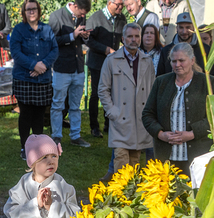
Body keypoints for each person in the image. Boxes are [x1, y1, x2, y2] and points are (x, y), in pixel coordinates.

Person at [142, 42, 214, 176]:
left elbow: (213, 117)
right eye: (173, 61)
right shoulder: (161, 82)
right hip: (166, 156)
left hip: (198, 156)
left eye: (181, 60)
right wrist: (160, 134)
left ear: (192, 60)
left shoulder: (208, 83)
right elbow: (147, 114)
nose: (177, 65)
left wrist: (192, 133)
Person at [98, 23, 155, 175]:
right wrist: (112, 111)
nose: (133, 40)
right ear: (123, 38)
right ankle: (120, 195)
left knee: (135, 161)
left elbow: (151, 90)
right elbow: (103, 89)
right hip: (120, 119)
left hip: (139, 120)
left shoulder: (147, 61)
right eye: (130, 36)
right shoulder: (111, 60)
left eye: (137, 36)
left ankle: (130, 196)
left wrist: (149, 114)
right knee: (121, 161)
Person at [10, 0, 58, 160]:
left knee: (39, 115)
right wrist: (33, 65)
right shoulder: (18, 30)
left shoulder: (47, 29)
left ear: (39, 11)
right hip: (23, 78)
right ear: (24, 12)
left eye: (34, 9)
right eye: (28, 9)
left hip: (42, 78)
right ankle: (24, 148)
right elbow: (15, 52)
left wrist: (42, 65)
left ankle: (37, 148)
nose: (31, 12)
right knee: (25, 114)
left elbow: (55, 49)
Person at [49, 0, 92, 147]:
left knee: (75, 105)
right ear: (74, 5)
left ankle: (75, 136)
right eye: (81, 13)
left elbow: (80, 39)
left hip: (78, 67)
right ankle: (56, 136)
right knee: (57, 104)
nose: (82, 16)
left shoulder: (81, 15)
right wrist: (72, 35)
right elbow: (52, 40)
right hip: (62, 67)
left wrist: (84, 36)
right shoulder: (56, 16)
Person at [86, 0, 127, 138]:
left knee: (113, 94)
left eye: (122, 4)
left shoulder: (121, 18)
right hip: (97, 62)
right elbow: (88, 40)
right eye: (118, 4)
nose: (121, 7)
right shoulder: (95, 18)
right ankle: (94, 127)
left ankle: (109, 124)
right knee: (97, 94)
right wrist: (105, 49)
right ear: (110, 2)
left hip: (114, 63)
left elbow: (124, 38)